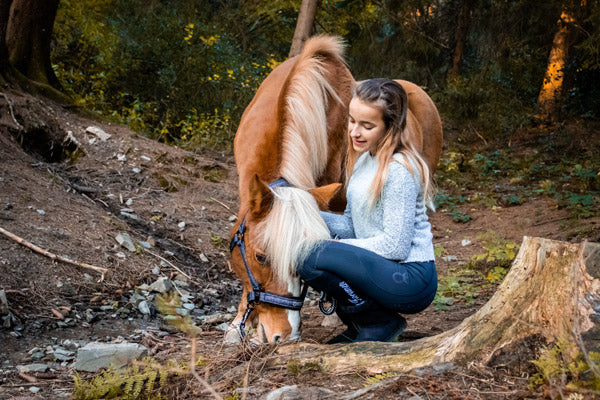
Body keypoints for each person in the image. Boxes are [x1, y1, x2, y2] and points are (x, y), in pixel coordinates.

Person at [297, 78, 437, 343]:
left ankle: (381, 323)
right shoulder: (364, 160)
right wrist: (303, 211)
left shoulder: (399, 169)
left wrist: (337, 248)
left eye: (367, 125)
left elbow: (396, 246)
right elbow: (351, 225)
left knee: (311, 255)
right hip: (380, 268)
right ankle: (362, 326)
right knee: (308, 250)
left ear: (390, 126)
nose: (355, 132)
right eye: (351, 121)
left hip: (410, 278)